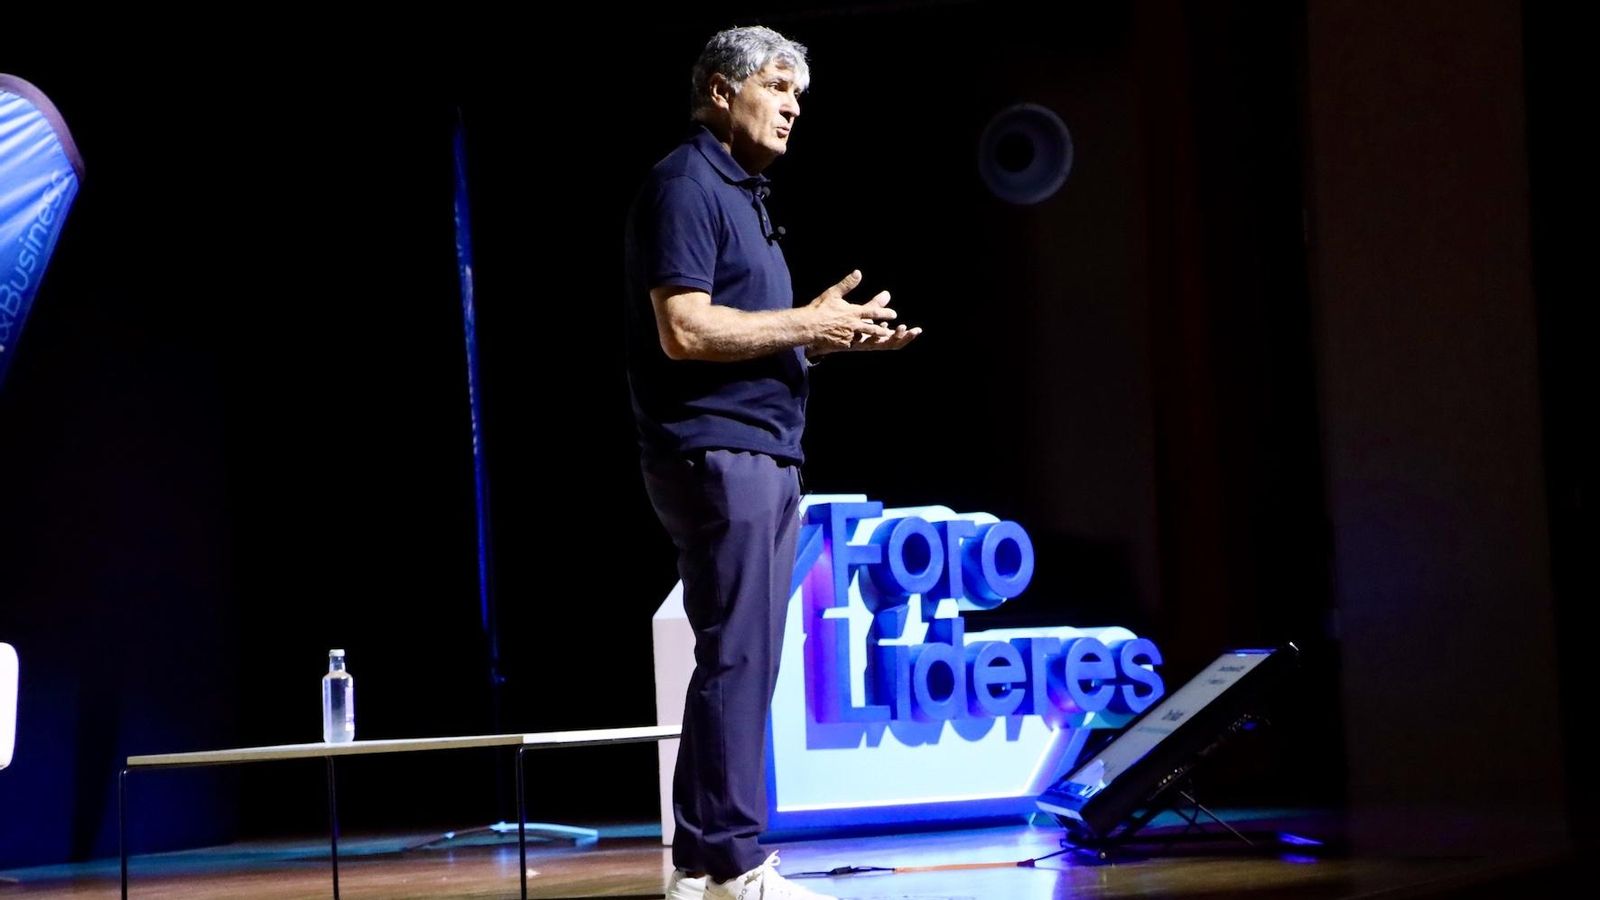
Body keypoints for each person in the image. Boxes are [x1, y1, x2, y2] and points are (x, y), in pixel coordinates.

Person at [624, 24, 921, 900]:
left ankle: (705, 864)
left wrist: (823, 337)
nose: (793, 107)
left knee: (741, 655)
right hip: (720, 451)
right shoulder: (687, 184)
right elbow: (685, 330)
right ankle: (730, 865)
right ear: (723, 91)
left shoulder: (743, 194)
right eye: (778, 87)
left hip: (758, 448)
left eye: (799, 95)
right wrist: (805, 322)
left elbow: (747, 333)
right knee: (740, 656)